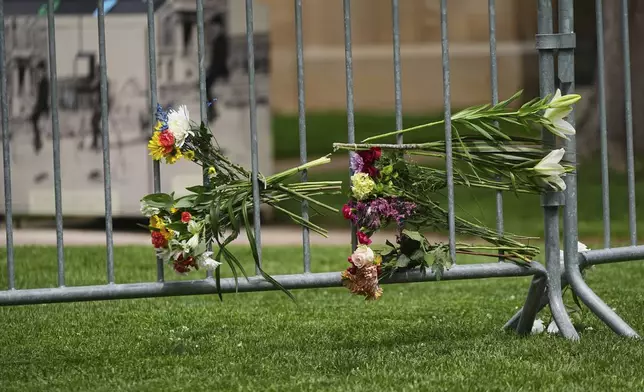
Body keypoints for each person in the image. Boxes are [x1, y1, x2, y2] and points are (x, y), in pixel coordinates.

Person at [205, 13, 229, 121]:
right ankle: (211, 110)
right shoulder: (219, 39)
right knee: (205, 87)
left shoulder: (221, 40)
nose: (213, 29)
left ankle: (212, 110)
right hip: (217, 68)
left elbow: (220, 59)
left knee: (206, 87)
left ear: (219, 26)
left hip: (219, 69)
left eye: (214, 26)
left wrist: (212, 70)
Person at [29, 60, 49, 154]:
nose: (39, 73)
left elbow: (43, 97)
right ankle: (37, 142)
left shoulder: (44, 82)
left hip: (43, 106)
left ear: (43, 70)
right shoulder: (41, 81)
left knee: (34, 120)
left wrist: (38, 108)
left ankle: (38, 143)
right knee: (34, 120)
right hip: (40, 106)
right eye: (38, 71)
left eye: (40, 71)